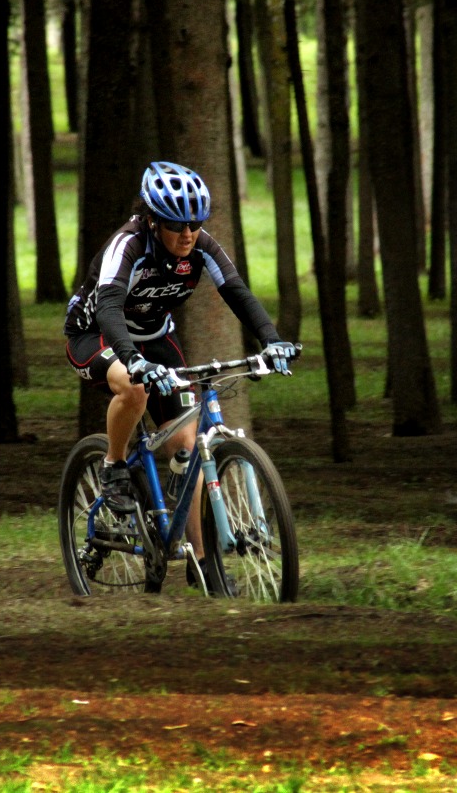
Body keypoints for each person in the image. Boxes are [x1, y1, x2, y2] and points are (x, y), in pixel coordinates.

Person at [64, 161, 297, 591]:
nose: (187, 233)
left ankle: (202, 563)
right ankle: (114, 467)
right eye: (175, 224)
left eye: (194, 223)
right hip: (96, 333)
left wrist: (271, 339)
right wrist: (132, 359)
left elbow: (237, 291)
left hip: (154, 337)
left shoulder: (201, 244)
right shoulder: (128, 245)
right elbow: (109, 308)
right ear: (153, 220)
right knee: (133, 387)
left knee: (187, 446)